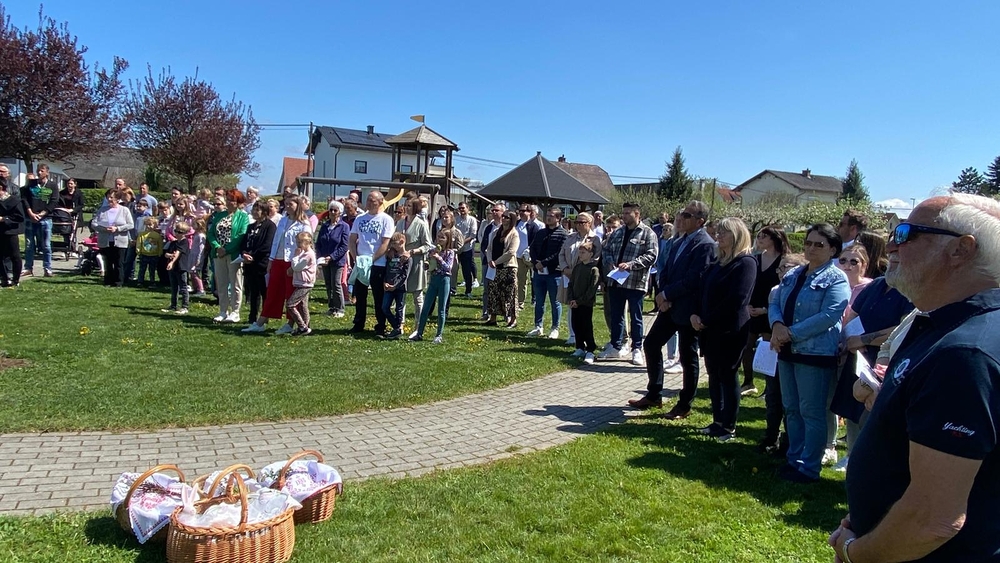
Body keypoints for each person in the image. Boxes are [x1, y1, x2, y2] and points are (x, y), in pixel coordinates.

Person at [832, 194, 1000, 563]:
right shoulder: (941, 325)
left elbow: (933, 519)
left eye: (906, 233)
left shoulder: (965, 352)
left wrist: (855, 552)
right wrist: (867, 519)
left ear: (960, 250)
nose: (891, 244)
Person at [768, 223, 850, 483]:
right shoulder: (794, 274)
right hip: (787, 351)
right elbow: (775, 301)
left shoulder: (837, 279)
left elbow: (829, 315)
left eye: (819, 244)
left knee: (811, 412)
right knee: (791, 408)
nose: (811, 248)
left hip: (815, 354)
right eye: (808, 243)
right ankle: (794, 460)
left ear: (833, 250)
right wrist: (777, 325)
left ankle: (809, 466)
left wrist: (790, 333)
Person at [630, 201, 713, 414]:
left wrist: (667, 294)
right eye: (682, 214)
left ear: (700, 221)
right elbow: (666, 269)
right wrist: (663, 295)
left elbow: (694, 279)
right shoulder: (679, 240)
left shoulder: (705, 245)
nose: (681, 218)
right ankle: (654, 395)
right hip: (669, 307)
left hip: (688, 309)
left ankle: (684, 405)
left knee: (687, 357)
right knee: (651, 344)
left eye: (687, 215)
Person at [690, 218, 757, 441]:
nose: (718, 236)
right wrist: (696, 314)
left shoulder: (745, 263)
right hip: (709, 328)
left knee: (728, 375)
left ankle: (729, 425)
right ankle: (717, 420)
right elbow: (702, 290)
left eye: (724, 233)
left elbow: (737, 298)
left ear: (737, 236)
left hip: (730, 330)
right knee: (714, 375)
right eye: (717, 232)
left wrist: (707, 319)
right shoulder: (718, 262)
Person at [599, 202, 659, 367]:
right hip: (616, 281)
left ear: (637, 214)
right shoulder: (618, 232)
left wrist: (631, 264)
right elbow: (606, 249)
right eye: (623, 213)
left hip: (635, 283)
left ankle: (637, 348)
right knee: (616, 315)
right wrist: (610, 262)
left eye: (627, 213)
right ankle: (615, 346)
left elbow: (652, 255)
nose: (624, 216)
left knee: (636, 317)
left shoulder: (648, 233)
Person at [243, 196, 312, 334]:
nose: (287, 206)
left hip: (293, 262)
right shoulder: (283, 220)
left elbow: (306, 246)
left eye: (290, 204)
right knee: (273, 292)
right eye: (286, 204)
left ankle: (290, 323)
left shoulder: (304, 223)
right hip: (278, 260)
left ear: (298, 205)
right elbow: (276, 241)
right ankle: (261, 322)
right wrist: (271, 260)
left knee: (291, 294)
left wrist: (295, 265)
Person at [741, 225, 790, 396]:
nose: (759, 239)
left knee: (770, 350)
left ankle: (770, 388)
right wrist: (747, 305)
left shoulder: (784, 261)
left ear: (775, 239)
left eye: (764, 236)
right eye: (759, 236)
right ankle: (748, 382)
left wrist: (766, 309)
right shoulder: (755, 259)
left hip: (771, 311)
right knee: (746, 347)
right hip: (752, 310)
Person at [349, 191, 395, 336]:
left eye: (372, 200)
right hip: (361, 263)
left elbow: (385, 243)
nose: (369, 203)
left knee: (378, 296)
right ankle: (358, 323)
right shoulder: (359, 218)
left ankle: (380, 325)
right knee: (360, 295)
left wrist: (372, 259)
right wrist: (356, 258)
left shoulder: (386, 220)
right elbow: (352, 239)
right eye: (368, 200)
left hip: (378, 263)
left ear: (380, 202)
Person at [558, 212, 602, 346]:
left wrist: (579, 271)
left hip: (584, 276)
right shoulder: (570, 237)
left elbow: (596, 257)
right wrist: (565, 269)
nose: (578, 225)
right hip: (568, 274)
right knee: (570, 302)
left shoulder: (595, 239)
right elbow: (561, 254)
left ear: (589, 223)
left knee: (582, 307)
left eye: (582, 222)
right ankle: (573, 335)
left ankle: (585, 340)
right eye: (576, 222)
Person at [208, 189, 249, 323]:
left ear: (238, 202)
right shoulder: (219, 215)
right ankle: (223, 311)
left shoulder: (243, 216)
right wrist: (217, 247)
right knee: (221, 283)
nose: (229, 202)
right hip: (218, 254)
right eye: (228, 199)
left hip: (233, 255)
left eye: (233, 200)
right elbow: (211, 233)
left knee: (236, 283)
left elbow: (241, 235)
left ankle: (235, 311)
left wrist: (227, 249)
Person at [527, 207, 569, 339]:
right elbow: (532, 248)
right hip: (539, 272)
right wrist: (536, 262)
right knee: (539, 301)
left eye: (551, 216)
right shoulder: (541, 232)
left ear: (558, 218)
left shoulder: (563, 234)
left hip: (554, 273)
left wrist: (544, 263)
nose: (548, 218)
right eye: (547, 215)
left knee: (555, 302)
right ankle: (538, 326)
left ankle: (555, 328)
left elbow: (559, 253)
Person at [412, 229, 457, 343]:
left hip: (444, 280)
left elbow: (448, 268)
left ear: (447, 239)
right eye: (438, 236)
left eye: (442, 237)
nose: (439, 239)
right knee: (425, 308)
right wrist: (427, 264)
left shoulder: (450, 252)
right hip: (433, 280)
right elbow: (429, 264)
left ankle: (439, 335)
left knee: (441, 309)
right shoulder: (432, 250)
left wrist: (439, 258)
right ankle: (419, 333)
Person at [396, 197, 432, 327]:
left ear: (416, 208)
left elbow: (427, 245)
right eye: (405, 205)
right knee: (401, 295)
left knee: (418, 296)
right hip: (401, 262)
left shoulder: (421, 224)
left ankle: (418, 326)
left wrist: (412, 252)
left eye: (409, 206)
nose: (406, 208)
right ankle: (400, 324)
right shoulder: (400, 223)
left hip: (416, 263)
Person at [239, 202, 276, 326]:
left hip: (262, 263)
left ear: (264, 212)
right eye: (254, 209)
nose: (255, 212)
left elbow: (267, 245)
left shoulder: (270, 226)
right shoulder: (251, 226)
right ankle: (252, 316)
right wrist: (244, 253)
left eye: (258, 210)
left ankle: (264, 316)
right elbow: (244, 242)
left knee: (264, 291)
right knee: (253, 291)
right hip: (249, 264)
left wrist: (253, 256)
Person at [20, 164, 60, 278]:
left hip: (46, 219)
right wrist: (31, 213)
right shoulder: (31, 184)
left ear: (47, 172)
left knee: (46, 245)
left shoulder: (52, 185)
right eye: (38, 170)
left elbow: (54, 201)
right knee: (29, 245)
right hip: (30, 218)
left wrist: (42, 213)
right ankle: (28, 268)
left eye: (42, 171)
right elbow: (25, 199)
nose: (39, 173)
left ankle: (47, 268)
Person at [91, 188, 135, 287]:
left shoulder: (124, 210)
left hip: (120, 241)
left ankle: (119, 282)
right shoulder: (102, 210)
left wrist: (118, 228)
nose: (109, 199)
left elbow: (130, 225)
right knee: (108, 262)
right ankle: (108, 281)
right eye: (108, 197)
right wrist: (103, 229)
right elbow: (94, 223)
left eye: (112, 197)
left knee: (119, 262)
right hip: (106, 240)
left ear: (118, 199)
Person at [567, 241, 601, 364]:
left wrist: (580, 301)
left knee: (586, 326)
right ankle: (580, 347)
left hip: (586, 304)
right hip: (574, 303)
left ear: (590, 254)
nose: (580, 255)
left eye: (583, 253)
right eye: (579, 252)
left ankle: (590, 349)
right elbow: (571, 284)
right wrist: (571, 299)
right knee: (576, 325)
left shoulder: (594, 269)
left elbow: (592, 289)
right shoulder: (577, 267)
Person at [485, 211, 521, 327]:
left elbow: (511, 252)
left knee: (510, 294)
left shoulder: (514, 234)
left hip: (508, 267)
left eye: (507, 217)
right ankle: (493, 318)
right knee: (493, 293)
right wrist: (490, 260)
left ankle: (512, 319)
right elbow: (489, 248)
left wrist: (496, 262)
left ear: (512, 220)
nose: (504, 218)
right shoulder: (496, 232)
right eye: (503, 216)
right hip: (494, 268)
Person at [316, 200, 350, 318]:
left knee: (336, 284)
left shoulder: (344, 226)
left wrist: (332, 257)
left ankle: (340, 308)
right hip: (324, 260)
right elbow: (318, 243)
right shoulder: (325, 226)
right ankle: (332, 307)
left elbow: (344, 246)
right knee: (328, 284)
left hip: (337, 261)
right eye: (331, 210)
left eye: (335, 210)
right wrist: (320, 256)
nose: (333, 212)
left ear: (340, 212)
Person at [285, 231, 317, 336]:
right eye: (297, 242)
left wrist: (295, 256)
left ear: (307, 242)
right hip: (301, 282)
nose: (298, 245)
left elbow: (297, 267)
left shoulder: (308, 254)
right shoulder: (303, 253)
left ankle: (302, 326)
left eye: (300, 242)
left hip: (305, 283)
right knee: (303, 306)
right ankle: (306, 327)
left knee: (290, 305)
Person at [381, 233, 411, 339]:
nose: (392, 246)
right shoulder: (391, 256)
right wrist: (385, 282)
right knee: (385, 307)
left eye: (394, 244)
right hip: (388, 286)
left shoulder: (407, 258)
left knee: (399, 309)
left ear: (402, 242)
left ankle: (397, 329)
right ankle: (397, 327)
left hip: (400, 288)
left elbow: (405, 275)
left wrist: (396, 285)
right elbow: (386, 270)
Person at [478, 203, 505, 319]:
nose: (494, 212)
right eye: (493, 210)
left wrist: (498, 260)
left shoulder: (506, 227)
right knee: (487, 288)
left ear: (503, 212)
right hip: (488, 262)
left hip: (502, 262)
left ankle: (504, 313)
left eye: (496, 210)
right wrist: (488, 257)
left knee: (502, 289)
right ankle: (486, 312)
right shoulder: (488, 227)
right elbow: (483, 244)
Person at [162, 221, 193, 314]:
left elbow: (178, 253)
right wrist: (169, 255)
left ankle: (185, 306)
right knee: (174, 287)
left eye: (180, 232)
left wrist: (172, 262)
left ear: (185, 233)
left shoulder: (184, 242)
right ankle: (173, 305)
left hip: (181, 267)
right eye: (176, 231)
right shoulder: (173, 243)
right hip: (173, 268)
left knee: (183, 287)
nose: (177, 233)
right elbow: (167, 253)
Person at [0, 173, 24, 287]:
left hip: (11, 232)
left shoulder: (13, 200)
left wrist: (4, 219)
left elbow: (19, 217)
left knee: (15, 256)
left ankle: (15, 279)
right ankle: (4, 279)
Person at [514, 204, 539, 309]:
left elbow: (535, 241)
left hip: (529, 257)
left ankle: (534, 299)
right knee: (520, 280)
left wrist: (529, 251)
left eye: (523, 211)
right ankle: (519, 302)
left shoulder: (533, 226)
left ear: (529, 212)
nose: (521, 212)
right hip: (518, 256)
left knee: (533, 280)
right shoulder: (516, 224)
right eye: (520, 211)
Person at [455, 202, 479, 298]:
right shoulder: (456, 219)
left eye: (463, 208)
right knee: (454, 269)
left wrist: (461, 243)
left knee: (467, 270)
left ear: (468, 209)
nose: (461, 210)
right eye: (460, 208)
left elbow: (472, 235)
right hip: (456, 249)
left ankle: (468, 291)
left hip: (467, 248)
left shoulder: (472, 220)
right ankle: (452, 289)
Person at [56, 177, 85, 260]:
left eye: (71, 184)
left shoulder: (79, 193)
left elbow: (81, 205)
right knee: (65, 232)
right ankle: (65, 249)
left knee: (73, 233)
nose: (69, 185)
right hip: (64, 215)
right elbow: (58, 203)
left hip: (74, 215)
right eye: (68, 183)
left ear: (75, 184)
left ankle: (73, 249)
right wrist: (63, 209)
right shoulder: (62, 193)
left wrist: (73, 210)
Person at [136, 216, 164, 286]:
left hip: (154, 255)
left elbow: (160, 245)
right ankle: (140, 281)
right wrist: (138, 251)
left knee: (152, 270)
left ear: (155, 225)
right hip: (144, 254)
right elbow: (139, 243)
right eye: (147, 225)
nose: (149, 226)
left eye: (150, 224)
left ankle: (152, 281)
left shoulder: (157, 235)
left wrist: (160, 252)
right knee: (142, 269)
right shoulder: (142, 234)